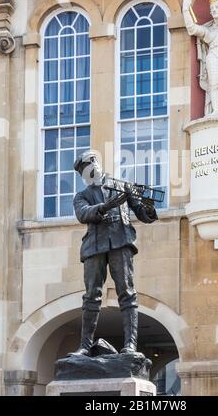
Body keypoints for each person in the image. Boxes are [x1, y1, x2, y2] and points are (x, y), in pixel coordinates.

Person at [68, 150, 158, 357]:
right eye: (85, 168)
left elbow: (143, 214)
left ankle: (130, 345)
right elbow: (83, 214)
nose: (91, 169)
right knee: (91, 296)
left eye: (92, 164)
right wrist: (104, 207)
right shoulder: (81, 196)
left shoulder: (122, 186)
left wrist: (149, 208)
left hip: (120, 241)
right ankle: (84, 346)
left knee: (127, 293)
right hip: (94, 246)